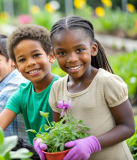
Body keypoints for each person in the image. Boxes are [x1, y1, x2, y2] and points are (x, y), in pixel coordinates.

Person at [35, 16, 135, 160]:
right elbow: (59, 130)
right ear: (54, 54)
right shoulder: (57, 88)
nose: (72, 59)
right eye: (62, 53)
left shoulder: (106, 82)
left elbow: (128, 127)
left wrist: (93, 144)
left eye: (79, 50)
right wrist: (45, 142)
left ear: (93, 49)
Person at [0, 24, 60, 147]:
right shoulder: (21, 94)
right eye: (22, 60)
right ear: (16, 66)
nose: (30, 63)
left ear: (51, 56)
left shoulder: (62, 87)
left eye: (36, 55)